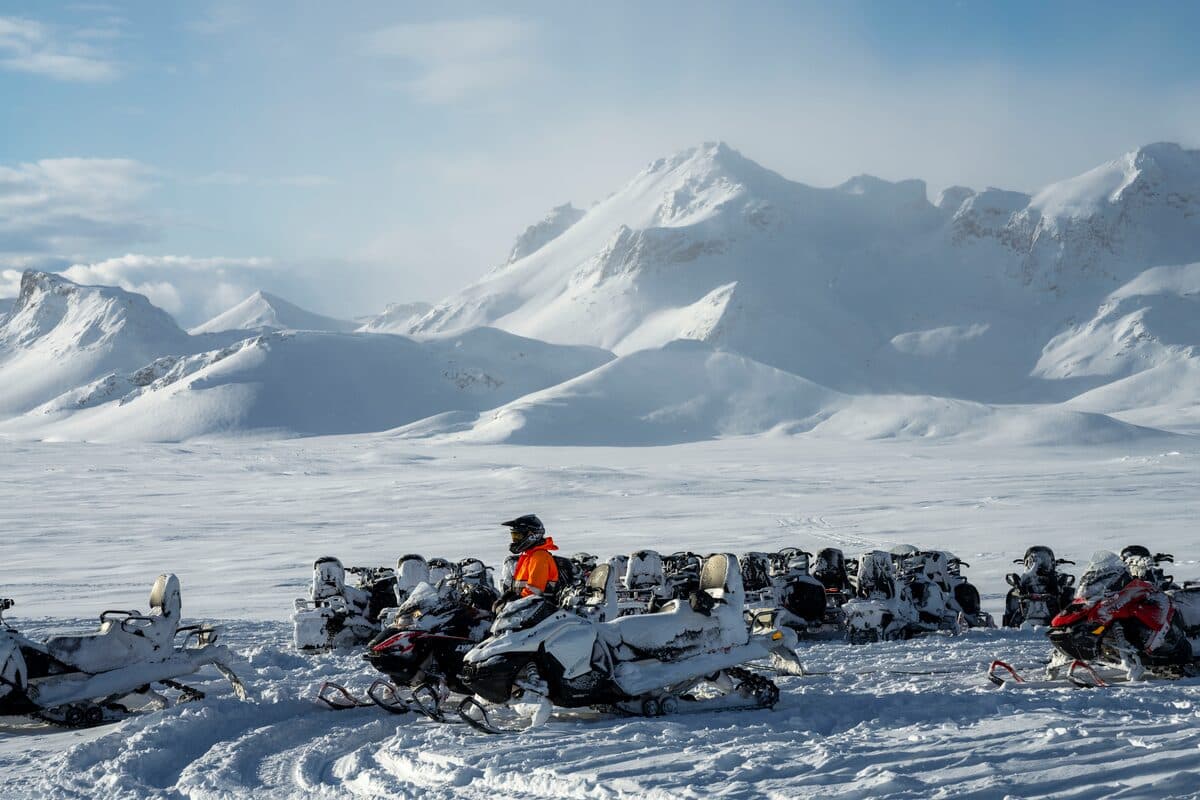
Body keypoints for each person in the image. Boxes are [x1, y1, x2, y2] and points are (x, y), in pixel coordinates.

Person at [498, 514, 559, 603]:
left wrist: (512, 602)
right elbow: (520, 584)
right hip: (526, 607)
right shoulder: (527, 556)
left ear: (532, 535)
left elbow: (534, 590)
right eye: (514, 536)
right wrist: (506, 596)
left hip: (537, 609)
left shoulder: (539, 556)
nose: (515, 540)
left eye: (518, 536)